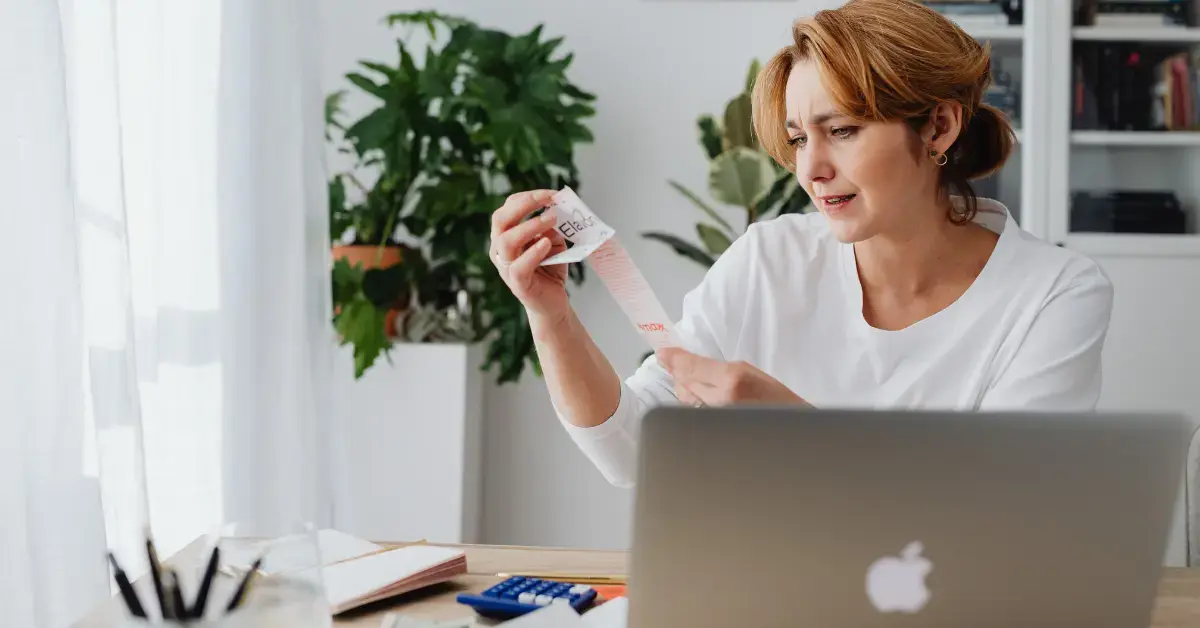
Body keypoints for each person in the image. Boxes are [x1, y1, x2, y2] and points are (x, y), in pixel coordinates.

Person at [487, 0, 1114, 488]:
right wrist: (550, 315)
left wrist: (796, 429)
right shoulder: (769, 260)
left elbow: (1005, 508)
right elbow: (629, 450)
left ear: (939, 127)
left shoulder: (1053, 293)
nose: (809, 169)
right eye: (797, 139)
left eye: (841, 130)